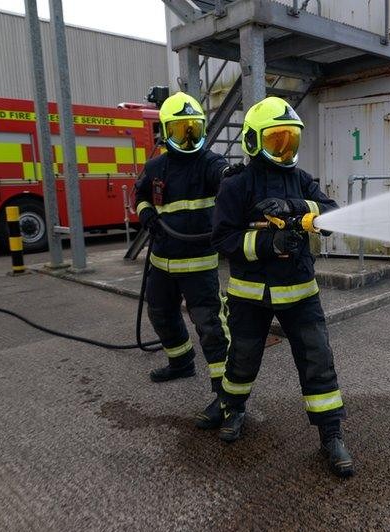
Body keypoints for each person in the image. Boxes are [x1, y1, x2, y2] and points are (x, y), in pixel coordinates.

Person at [211, 96, 354, 477]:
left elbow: (333, 213)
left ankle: (331, 434)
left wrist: (295, 206)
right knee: (242, 358)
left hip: (300, 291)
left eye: (291, 140)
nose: (286, 149)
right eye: (277, 140)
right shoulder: (236, 186)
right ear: (253, 141)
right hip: (249, 295)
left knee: (318, 359)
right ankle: (233, 409)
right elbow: (223, 239)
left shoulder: (301, 180)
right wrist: (268, 243)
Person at [134, 91, 232, 429]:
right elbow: (140, 194)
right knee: (159, 313)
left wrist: (233, 177)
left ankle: (225, 396)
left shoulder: (210, 163)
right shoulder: (156, 167)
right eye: (180, 130)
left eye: (193, 129)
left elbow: (224, 175)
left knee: (211, 328)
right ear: (165, 132)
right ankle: (181, 362)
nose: (188, 138)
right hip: (162, 260)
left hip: (199, 263)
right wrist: (146, 214)